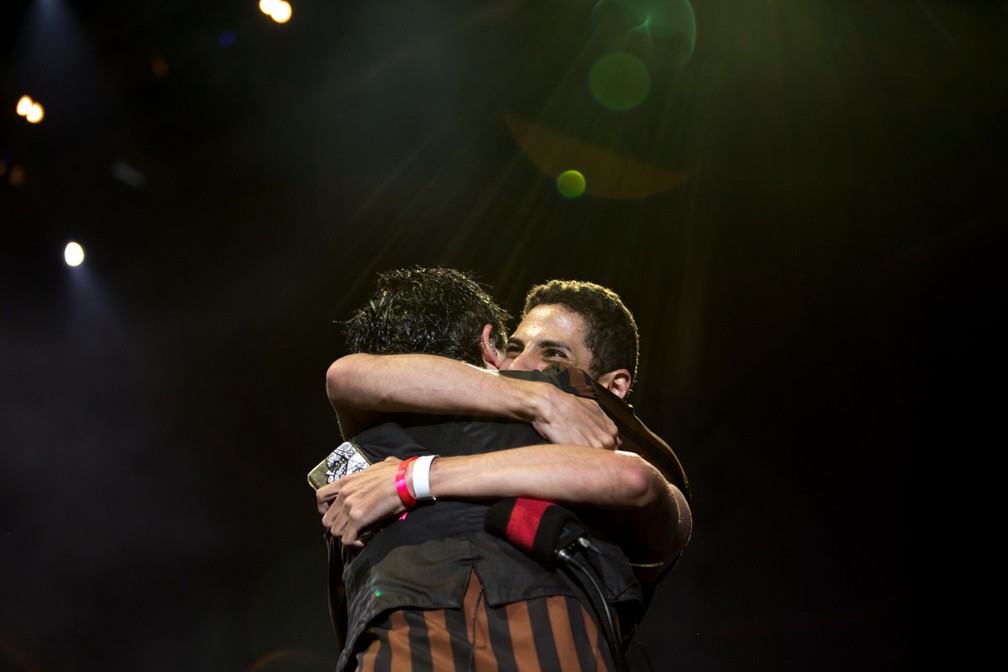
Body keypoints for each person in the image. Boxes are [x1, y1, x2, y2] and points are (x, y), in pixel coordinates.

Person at [316, 268, 690, 671]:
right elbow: (347, 375)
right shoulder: (506, 402)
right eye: (515, 347)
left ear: (614, 387)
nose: (521, 364)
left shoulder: (624, 444)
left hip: (534, 634)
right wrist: (538, 399)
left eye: (554, 356)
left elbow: (632, 480)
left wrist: (413, 479)